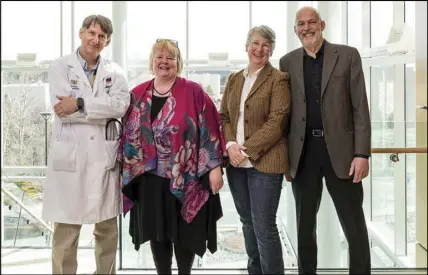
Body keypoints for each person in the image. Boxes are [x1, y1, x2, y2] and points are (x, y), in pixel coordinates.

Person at [118, 39, 225, 275]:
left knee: (185, 231)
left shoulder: (193, 91)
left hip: (187, 177)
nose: (164, 62)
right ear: (152, 61)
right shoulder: (137, 94)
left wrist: (215, 166)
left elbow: (211, 126)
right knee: (158, 232)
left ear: (178, 62)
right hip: (150, 179)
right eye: (159, 57)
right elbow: (127, 134)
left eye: (170, 57)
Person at [279, 6, 371, 274]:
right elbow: (285, 115)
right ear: (295, 29)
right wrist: (286, 160)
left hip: (342, 154)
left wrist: (362, 154)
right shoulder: (286, 62)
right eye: (301, 24)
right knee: (305, 228)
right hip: (303, 154)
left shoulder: (348, 55)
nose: (306, 28)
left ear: (323, 24)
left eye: (311, 22)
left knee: (354, 227)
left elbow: (360, 109)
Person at [41, 15, 130, 274]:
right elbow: (62, 109)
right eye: (91, 33)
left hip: (103, 160)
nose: (96, 39)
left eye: (102, 36)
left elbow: (121, 105)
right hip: (71, 159)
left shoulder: (115, 72)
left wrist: (79, 104)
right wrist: (100, 110)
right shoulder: (60, 67)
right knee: (65, 237)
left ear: (108, 41)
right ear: (81, 33)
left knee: (107, 234)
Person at [219, 25, 290, 274]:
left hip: (265, 164)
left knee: (264, 226)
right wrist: (230, 146)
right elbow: (224, 116)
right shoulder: (234, 79)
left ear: (271, 50)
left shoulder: (278, 79)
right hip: (236, 165)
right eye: (256, 43)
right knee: (247, 223)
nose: (260, 49)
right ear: (246, 46)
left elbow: (277, 121)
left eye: (266, 45)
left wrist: (245, 149)